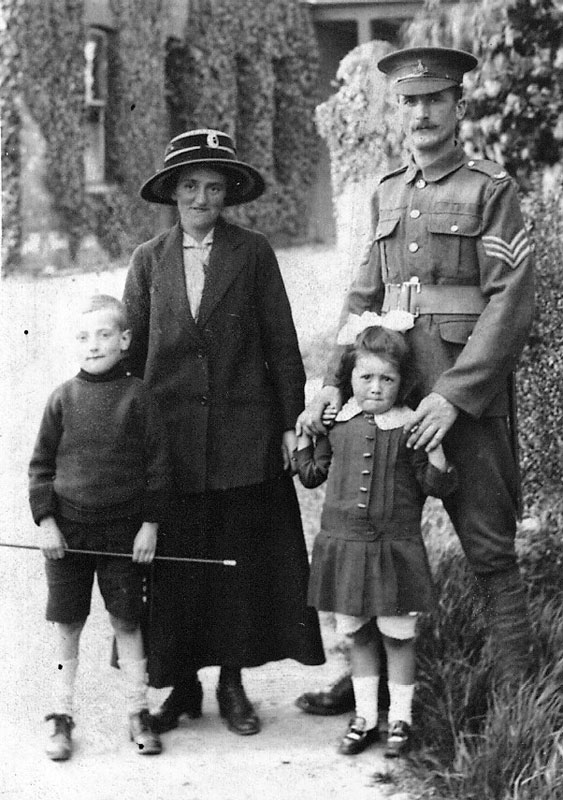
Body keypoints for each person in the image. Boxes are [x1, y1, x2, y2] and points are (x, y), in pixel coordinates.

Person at [296, 46, 535, 716]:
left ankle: (518, 695)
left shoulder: (490, 189)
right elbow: (361, 295)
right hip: (389, 397)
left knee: (489, 545)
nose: (422, 113)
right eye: (409, 101)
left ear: (458, 105)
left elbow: (509, 303)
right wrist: (331, 385)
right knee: (365, 534)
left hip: (464, 398)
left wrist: (453, 397)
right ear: (395, 110)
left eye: (434, 99)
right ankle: (365, 682)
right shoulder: (386, 191)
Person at [122, 128, 324, 737]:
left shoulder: (253, 252)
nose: (202, 198)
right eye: (190, 186)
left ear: (229, 193)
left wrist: (292, 427)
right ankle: (181, 687)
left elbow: (281, 346)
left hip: (243, 438)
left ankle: (232, 683)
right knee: (178, 565)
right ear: (172, 193)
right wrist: (126, 437)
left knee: (237, 563)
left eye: (214, 186)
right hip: (172, 445)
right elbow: (131, 358)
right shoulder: (148, 260)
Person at [296, 320, 457, 757]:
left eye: (387, 378)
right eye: (365, 377)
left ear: (402, 383)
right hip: (346, 549)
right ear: (349, 379)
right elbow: (311, 475)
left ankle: (401, 719)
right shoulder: (339, 424)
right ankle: (365, 716)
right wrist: (304, 436)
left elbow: (437, 486)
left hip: (395, 551)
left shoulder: (411, 427)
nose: (375, 387)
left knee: (398, 636)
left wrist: (437, 453)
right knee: (360, 635)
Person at [28, 294, 169, 761]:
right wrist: (47, 522)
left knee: (127, 620)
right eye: (84, 337)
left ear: (125, 340)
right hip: (68, 535)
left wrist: (149, 525)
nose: (94, 345)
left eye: (105, 334)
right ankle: (61, 714)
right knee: (67, 622)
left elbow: (157, 468)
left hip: (122, 534)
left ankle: (138, 710)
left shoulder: (138, 397)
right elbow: (41, 466)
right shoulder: (63, 398)